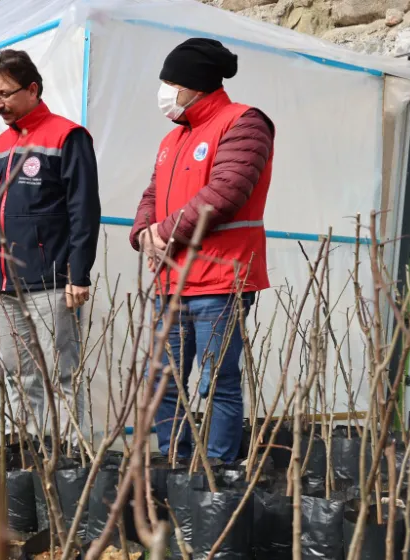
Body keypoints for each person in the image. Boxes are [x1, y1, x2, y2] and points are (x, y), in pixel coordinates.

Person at [129, 38, 274, 463]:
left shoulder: (243, 122)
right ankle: (177, 465)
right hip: (172, 281)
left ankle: (216, 472)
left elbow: (225, 191)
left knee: (217, 383)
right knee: (164, 382)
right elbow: (152, 194)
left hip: (221, 279)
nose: (165, 91)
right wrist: (143, 232)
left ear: (196, 85)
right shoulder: (172, 140)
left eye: (171, 82)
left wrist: (164, 232)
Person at [0, 49, 101, 449]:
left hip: (52, 283)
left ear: (32, 89)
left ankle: (70, 464)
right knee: (19, 376)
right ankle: (31, 460)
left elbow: (84, 211)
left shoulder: (67, 136)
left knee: (62, 375)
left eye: (6, 94)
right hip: (5, 286)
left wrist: (78, 274)